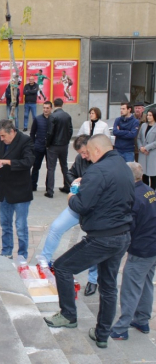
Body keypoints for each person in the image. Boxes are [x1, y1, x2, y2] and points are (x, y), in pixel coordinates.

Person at [44, 134, 134, 350]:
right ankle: (102, 334)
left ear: (95, 150)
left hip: (103, 237)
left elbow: (81, 205)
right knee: (109, 286)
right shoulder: (123, 165)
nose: (86, 159)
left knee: (63, 267)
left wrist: (71, 198)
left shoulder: (97, 170)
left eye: (87, 154)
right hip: (122, 235)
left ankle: (68, 315)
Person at [40, 135, 99, 296]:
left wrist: (84, 180)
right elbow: (70, 173)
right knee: (55, 228)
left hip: (94, 209)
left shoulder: (100, 161)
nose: (84, 156)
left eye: (85, 153)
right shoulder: (81, 159)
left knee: (95, 243)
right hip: (77, 205)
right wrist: (76, 180)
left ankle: (93, 280)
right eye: (81, 153)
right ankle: (44, 261)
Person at [110, 162, 156, 340]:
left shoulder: (133, 197)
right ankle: (142, 320)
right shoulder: (148, 191)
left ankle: (121, 328)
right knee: (145, 283)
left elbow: (130, 226)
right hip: (152, 247)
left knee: (130, 287)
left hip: (142, 249)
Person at [0, 119, 34, 259]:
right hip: (5, 190)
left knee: (20, 226)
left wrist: (7, 162)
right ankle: (7, 252)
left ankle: (22, 255)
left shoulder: (25, 140)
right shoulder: (2, 141)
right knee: (5, 225)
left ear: (12, 132)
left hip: (20, 191)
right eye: (0, 136)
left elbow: (28, 162)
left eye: (3, 136)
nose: (1, 139)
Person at [45, 98, 73, 198]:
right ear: (62, 104)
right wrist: (66, 141)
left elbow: (50, 132)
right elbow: (70, 130)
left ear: (54, 105)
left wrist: (47, 144)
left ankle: (50, 191)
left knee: (51, 168)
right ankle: (67, 186)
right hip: (64, 145)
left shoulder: (53, 116)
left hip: (54, 145)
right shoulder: (67, 116)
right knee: (64, 166)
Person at [30, 101, 52, 191]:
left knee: (50, 168)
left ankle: (48, 187)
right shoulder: (37, 119)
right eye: (44, 108)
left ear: (51, 108)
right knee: (36, 167)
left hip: (50, 148)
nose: (45, 110)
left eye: (47, 108)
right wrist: (33, 144)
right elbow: (32, 133)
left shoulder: (54, 119)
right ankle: (33, 185)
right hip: (38, 147)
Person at [137, 108, 156, 189]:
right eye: (148, 115)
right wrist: (140, 147)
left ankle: (152, 193)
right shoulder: (143, 125)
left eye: (150, 115)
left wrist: (146, 148)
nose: (148, 117)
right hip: (142, 153)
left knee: (152, 174)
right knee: (143, 174)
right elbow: (138, 138)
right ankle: (145, 192)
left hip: (152, 154)